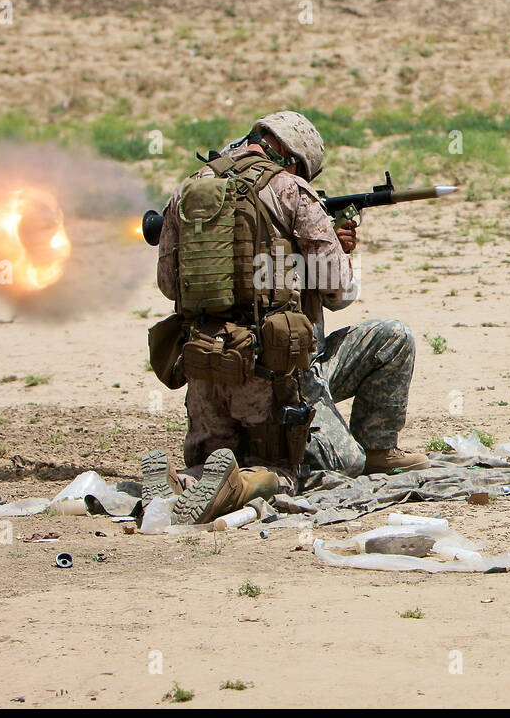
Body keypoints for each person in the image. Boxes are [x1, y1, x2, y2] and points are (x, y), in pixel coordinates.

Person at [144, 111, 429, 524]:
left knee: (220, 457)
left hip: (208, 374)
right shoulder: (292, 190)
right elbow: (340, 292)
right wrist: (332, 250)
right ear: (294, 160)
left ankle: (185, 480)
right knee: (339, 462)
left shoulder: (187, 191)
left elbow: (170, 287)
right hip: (278, 378)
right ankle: (243, 484)